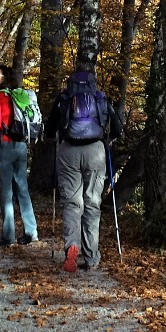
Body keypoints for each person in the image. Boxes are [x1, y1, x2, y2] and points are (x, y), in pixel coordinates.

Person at [54, 59, 112, 272]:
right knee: (92, 203)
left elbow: (51, 127)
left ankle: (72, 247)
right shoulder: (100, 98)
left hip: (68, 150)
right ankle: (91, 256)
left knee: (72, 203)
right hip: (95, 151)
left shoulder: (65, 97)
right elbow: (116, 127)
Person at [0, 64, 38, 247]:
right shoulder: (19, 95)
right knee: (22, 189)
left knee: (6, 192)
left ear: (4, 77)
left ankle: (8, 236)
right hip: (21, 145)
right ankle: (31, 232)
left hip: (5, 145)